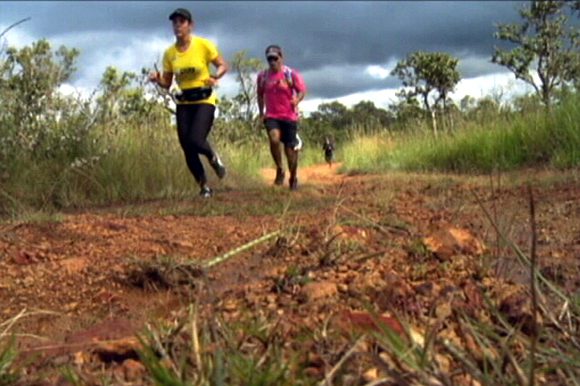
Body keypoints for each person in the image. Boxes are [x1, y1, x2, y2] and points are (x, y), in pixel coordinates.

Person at [149, 8, 229, 198]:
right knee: (186, 145)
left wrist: (215, 76)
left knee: (195, 139)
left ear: (190, 25)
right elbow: (167, 84)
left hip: (204, 100)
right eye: (175, 22)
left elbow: (223, 65)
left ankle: (212, 157)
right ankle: (204, 187)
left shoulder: (203, 45)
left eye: (182, 22)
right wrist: (157, 79)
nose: (178, 26)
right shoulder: (169, 53)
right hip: (184, 102)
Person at [257, 45, 307, 190]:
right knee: (274, 138)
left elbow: (302, 90)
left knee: (290, 150)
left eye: (275, 58)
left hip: (289, 116)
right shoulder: (263, 77)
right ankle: (280, 169)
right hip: (272, 115)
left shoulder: (290, 74)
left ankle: (293, 176)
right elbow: (260, 94)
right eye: (269, 59)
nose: (272, 62)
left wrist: (297, 100)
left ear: (281, 58)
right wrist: (261, 113)